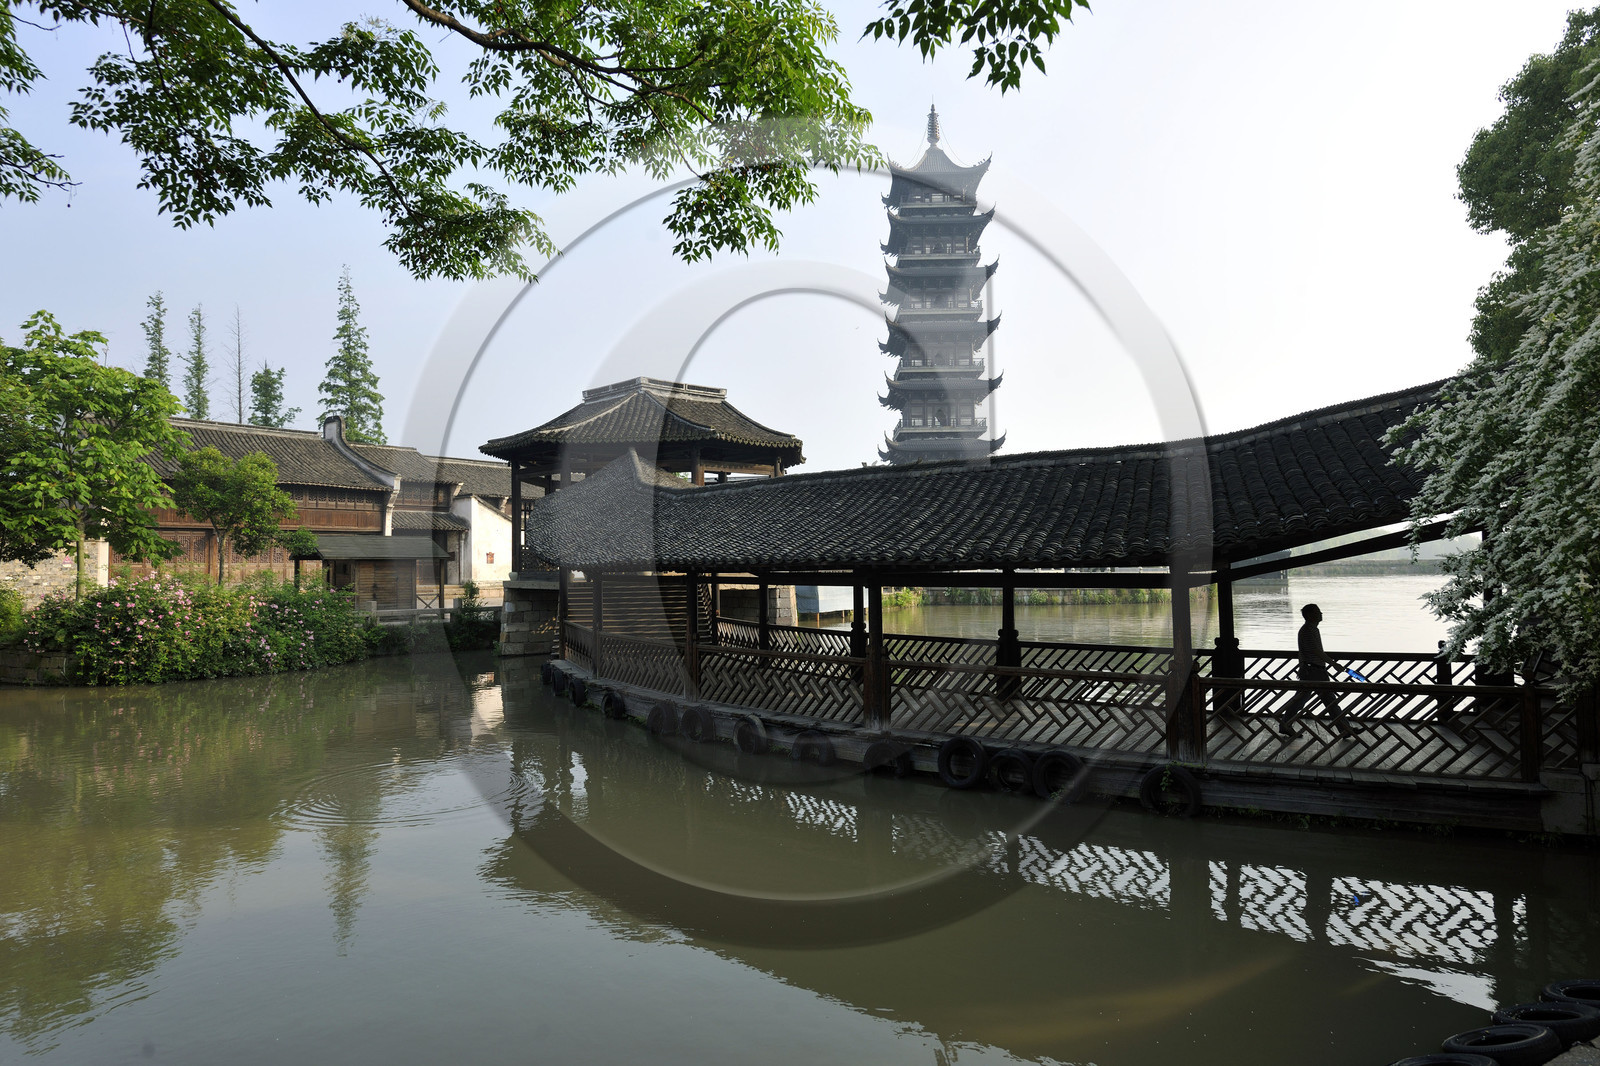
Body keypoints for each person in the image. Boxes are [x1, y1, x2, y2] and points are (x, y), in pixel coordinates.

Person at [1280, 603, 1354, 738]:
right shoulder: (1308, 630)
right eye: (1318, 611)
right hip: (1313, 670)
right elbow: (1316, 651)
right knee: (1309, 700)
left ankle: (1345, 728)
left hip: (1313, 669)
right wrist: (1333, 663)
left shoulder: (1310, 629)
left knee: (1317, 700)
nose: (1321, 614)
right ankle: (1285, 724)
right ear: (1309, 615)